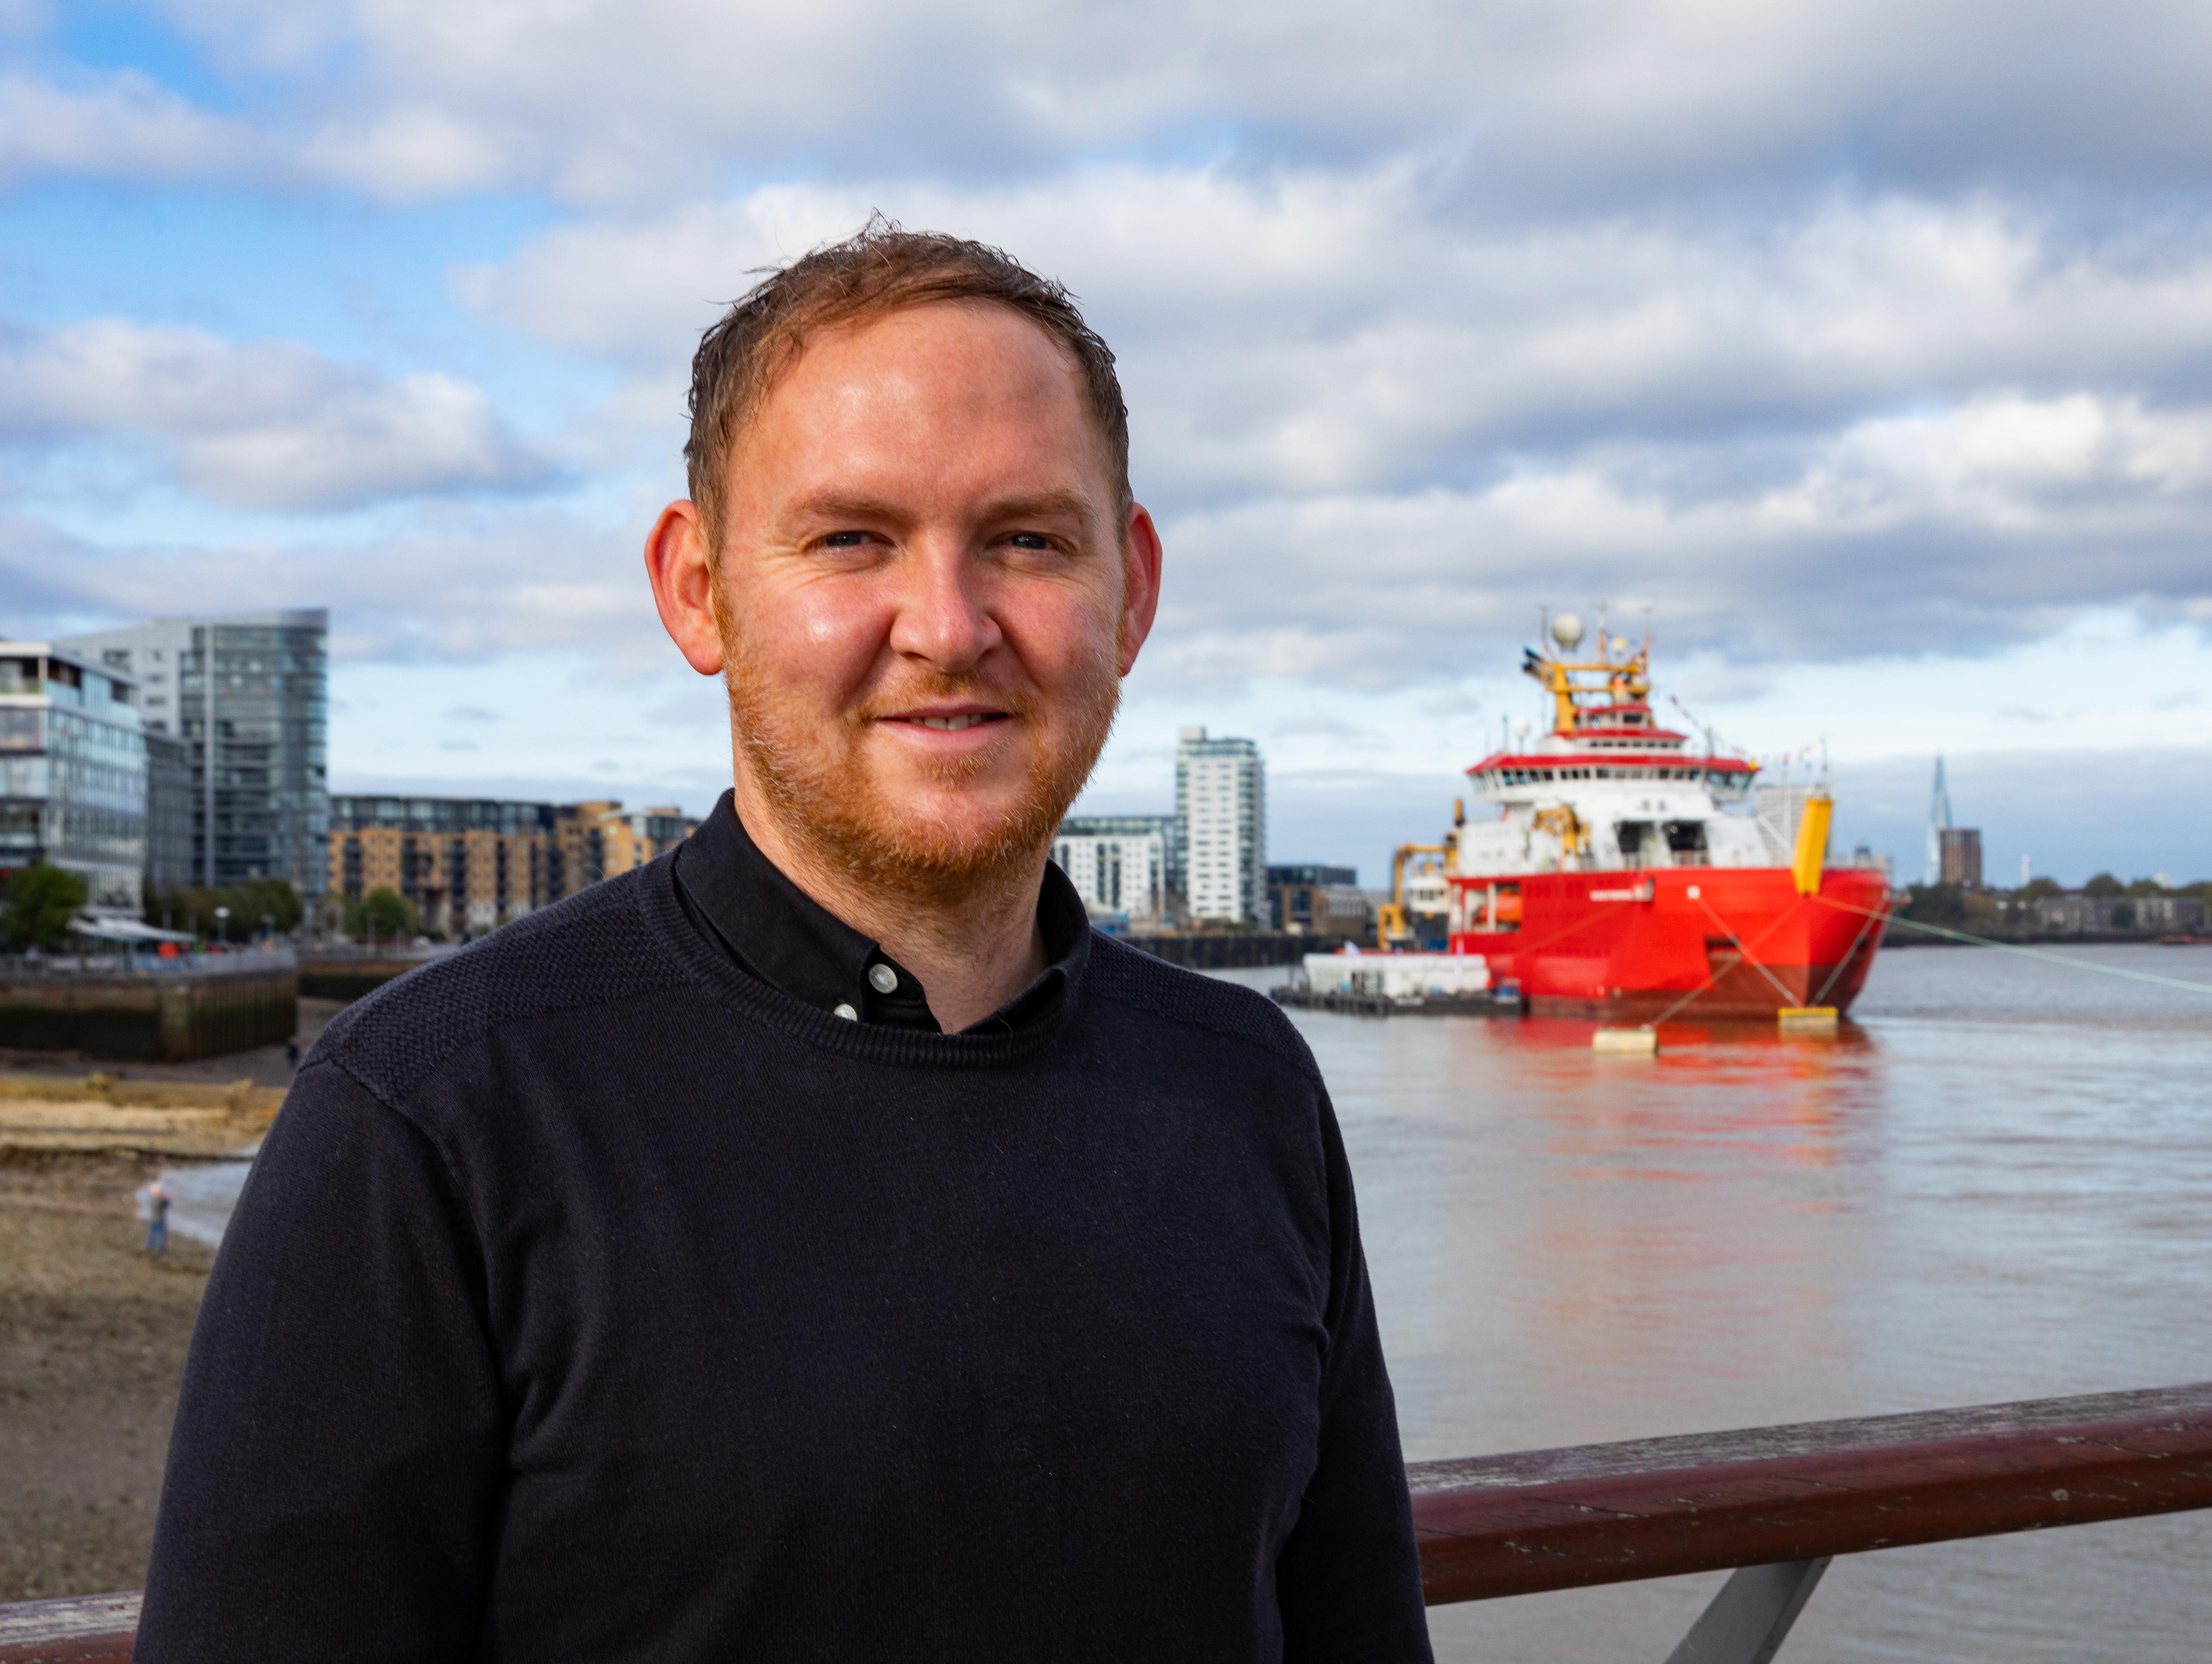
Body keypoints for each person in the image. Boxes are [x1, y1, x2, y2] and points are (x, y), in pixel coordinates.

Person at [135, 225, 1434, 1662]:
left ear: (1131, 586)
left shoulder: (1246, 1085)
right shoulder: (430, 1115)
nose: (947, 627)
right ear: (697, 589)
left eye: (1025, 539)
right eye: (849, 539)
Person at [143, 1179, 168, 1255]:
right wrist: (165, 1199)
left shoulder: (153, 1199)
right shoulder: (156, 1200)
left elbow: (164, 1205)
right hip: (159, 1220)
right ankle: (160, 1249)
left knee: (153, 1234)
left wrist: (163, 1199)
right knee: (161, 1235)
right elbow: (163, 1205)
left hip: (154, 1220)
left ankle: (150, 1247)